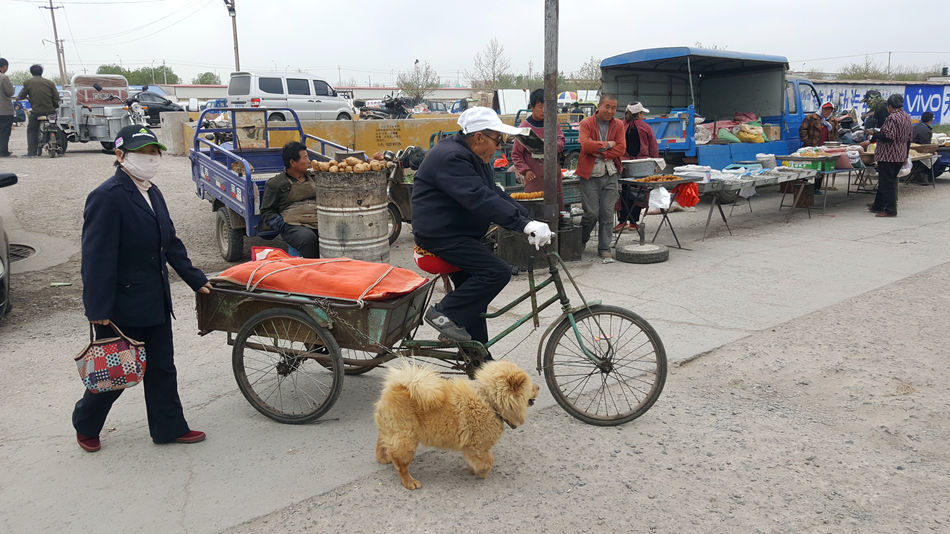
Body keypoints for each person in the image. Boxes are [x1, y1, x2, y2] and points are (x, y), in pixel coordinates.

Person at [73, 125, 211, 452]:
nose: (151, 159)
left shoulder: (153, 192)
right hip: (121, 305)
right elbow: (96, 259)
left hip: (155, 299)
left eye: (154, 152)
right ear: (120, 155)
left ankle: (168, 428)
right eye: (142, 153)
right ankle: (86, 423)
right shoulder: (107, 197)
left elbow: (170, 243)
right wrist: (98, 311)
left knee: (162, 367)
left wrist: (195, 279)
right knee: (116, 372)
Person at [411, 106, 551, 344]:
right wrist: (522, 224)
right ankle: (443, 312)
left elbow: (493, 193)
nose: (498, 147)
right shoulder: (451, 157)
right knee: (496, 273)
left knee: (474, 304)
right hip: (442, 236)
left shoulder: (474, 157)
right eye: (497, 140)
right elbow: (479, 198)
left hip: (460, 232)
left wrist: (528, 220)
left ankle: (480, 362)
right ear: (478, 137)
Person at [577, 94, 625, 262]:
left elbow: (621, 149)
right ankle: (581, 240)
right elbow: (585, 145)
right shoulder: (587, 123)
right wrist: (608, 144)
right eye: (607, 107)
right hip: (590, 174)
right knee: (591, 213)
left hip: (611, 173)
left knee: (607, 213)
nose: (611, 111)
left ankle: (604, 247)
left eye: (614, 107)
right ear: (599, 106)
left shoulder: (618, 125)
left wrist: (600, 151)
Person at [260, 141, 321, 258]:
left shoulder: (316, 177)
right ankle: (309, 270)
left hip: (318, 220)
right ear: (293, 162)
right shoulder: (276, 184)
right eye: (305, 157)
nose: (309, 161)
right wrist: (282, 225)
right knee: (308, 239)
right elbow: (267, 211)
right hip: (294, 225)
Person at [511, 88, 565, 207]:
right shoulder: (524, 128)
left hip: (553, 175)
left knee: (555, 208)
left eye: (547, 107)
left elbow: (561, 140)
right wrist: (525, 170)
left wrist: (552, 146)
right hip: (534, 177)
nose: (544, 110)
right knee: (536, 208)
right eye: (540, 107)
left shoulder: (553, 123)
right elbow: (516, 154)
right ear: (532, 107)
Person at [863, 94, 912, 217]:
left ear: (889, 106)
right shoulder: (907, 117)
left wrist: (874, 132)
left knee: (887, 183)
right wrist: (906, 155)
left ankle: (891, 210)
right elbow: (909, 138)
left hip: (889, 155)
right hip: (900, 154)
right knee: (886, 181)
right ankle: (878, 206)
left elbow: (888, 136)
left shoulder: (892, 118)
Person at [615, 102, 658, 232]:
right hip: (641, 165)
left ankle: (622, 221)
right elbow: (653, 147)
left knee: (623, 192)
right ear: (639, 114)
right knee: (639, 192)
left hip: (623, 165)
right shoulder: (645, 127)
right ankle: (634, 223)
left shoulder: (620, 126)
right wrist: (654, 163)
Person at [16, 64, 59, 158]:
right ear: (41, 72)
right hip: (50, 111)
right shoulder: (50, 83)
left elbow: (22, 95)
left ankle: (32, 152)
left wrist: (19, 98)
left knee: (31, 130)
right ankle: (60, 147)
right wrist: (54, 107)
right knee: (55, 126)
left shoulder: (28, 82)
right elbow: (56, 97)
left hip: (36, 112)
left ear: (31, 72)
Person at [799, 101, 838, 195]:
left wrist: (832, 143)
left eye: (829, 110)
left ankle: (817, 187)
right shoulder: (811, 118)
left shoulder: (833, 120)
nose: (827, 112)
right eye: (825, 109)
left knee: (821, 168)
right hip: (811, 146)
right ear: (821, 109)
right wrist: (807, 141)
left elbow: (836, 133)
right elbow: (802, 130)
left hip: (824, 148)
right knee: (807, 166)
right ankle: (804, 185)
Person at [907, 111, 935, 185]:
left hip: (910, 150)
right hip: (918, 151)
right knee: (935, 158)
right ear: (931, 120)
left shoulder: (915, 127)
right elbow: (926, 146)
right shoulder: (927, 130)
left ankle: (916, 175)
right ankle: (922, 176)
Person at [0, 58, 14, 157]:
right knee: (4, 131)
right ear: (4, 67)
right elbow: (10, 92)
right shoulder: (3, 78)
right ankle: (3, 151)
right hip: (4, 110)